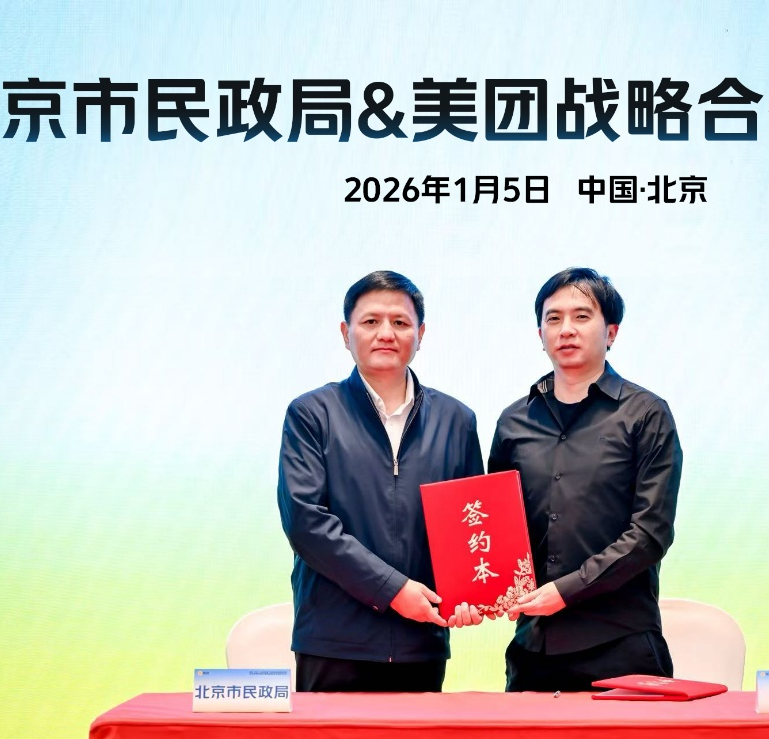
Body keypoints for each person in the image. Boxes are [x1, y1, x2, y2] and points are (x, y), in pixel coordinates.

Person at [474, 267, 684, 692]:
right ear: (541, 335)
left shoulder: (645, 414)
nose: (566, 329)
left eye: (582, 316)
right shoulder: (514, 421)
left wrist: (566, 590)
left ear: (611, 332)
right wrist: (476, 590)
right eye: (553, 319)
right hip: (534, 647)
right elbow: (497, 528)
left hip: (620, 644)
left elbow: (650, 534)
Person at [277, 270, 483, 692]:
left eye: (400, 322)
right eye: (370, 321)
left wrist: (471, 595)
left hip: (421, 640)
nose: (386, 333)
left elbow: (470, 524)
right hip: (334, 640)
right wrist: (393, 590)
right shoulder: (312, 414)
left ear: (420, 334)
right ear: (346, 333)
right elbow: (306, 523)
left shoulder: (456, 420)